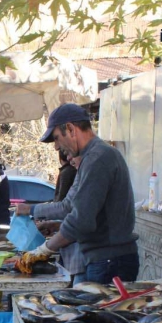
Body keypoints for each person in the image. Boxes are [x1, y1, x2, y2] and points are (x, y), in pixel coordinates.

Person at [23, 103, 139, 284]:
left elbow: (80, 220)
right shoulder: (96, 156)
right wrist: (57, 226)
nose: (56, 147)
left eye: (56, 138)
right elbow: (84, 211)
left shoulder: (97, 158)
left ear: (70, 129)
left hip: (109, 261)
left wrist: (43, 250)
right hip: (107, 258)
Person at [17, 151, 86, 284]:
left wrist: (44, 250)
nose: (70, 159)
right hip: (77, 255)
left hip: (86, 256)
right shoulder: (77, 172)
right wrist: (55, 225)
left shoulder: (73, 172)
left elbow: (67, 209)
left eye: (72, 154)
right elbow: (75, 214)